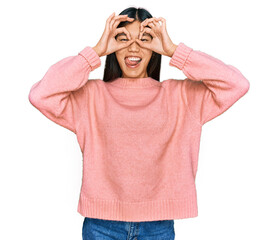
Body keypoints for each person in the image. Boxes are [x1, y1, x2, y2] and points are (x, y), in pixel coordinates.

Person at [28, 6, 250, 240]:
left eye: (144, 39)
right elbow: (40, 95)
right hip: (101, 225)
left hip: (158, 226)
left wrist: (174, 51)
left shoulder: (181, 96)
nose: (133, 47)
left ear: (155, 48)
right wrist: (95, 52)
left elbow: (237, 84)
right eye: (123, 39)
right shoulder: (91, 96)